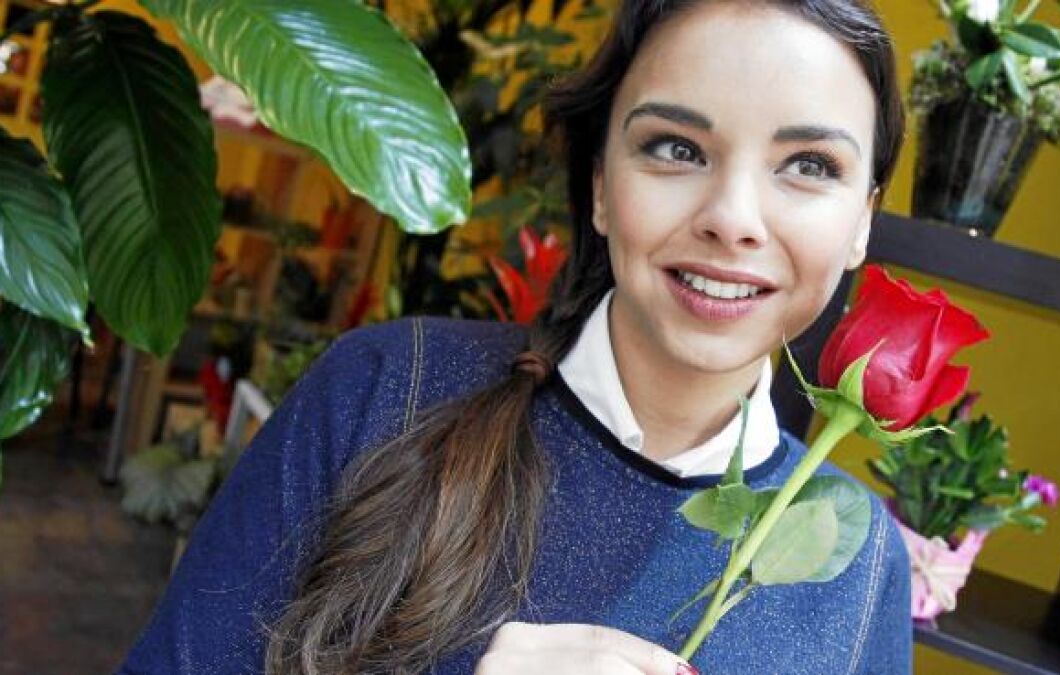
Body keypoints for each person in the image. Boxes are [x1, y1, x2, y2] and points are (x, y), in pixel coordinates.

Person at [119, 0, 912, 673]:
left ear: (862, 221)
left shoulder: (859, 560)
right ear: (599, 184)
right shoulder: (385, 390)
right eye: (676, 148)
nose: (732, 219)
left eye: (810, 165)